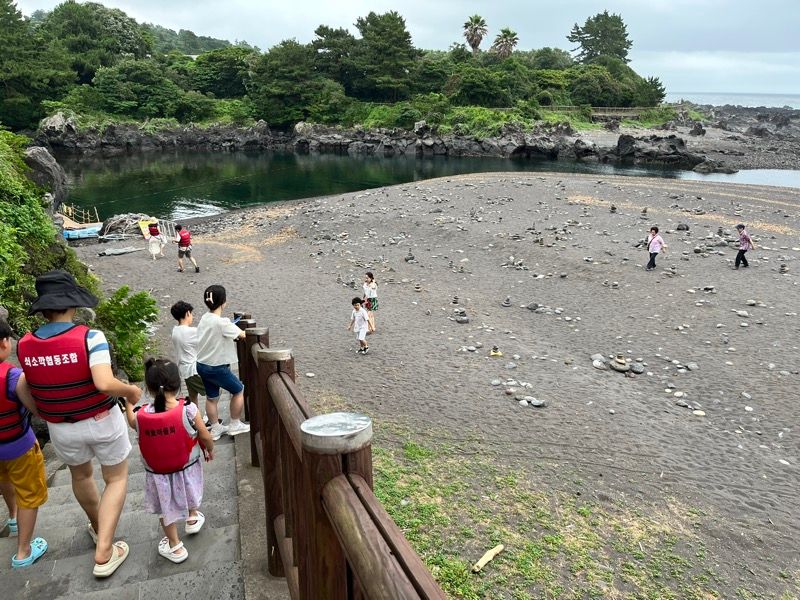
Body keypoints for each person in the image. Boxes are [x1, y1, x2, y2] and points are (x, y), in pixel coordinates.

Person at [17, 270, 141, 578]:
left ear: (43, 307)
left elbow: (22, 387)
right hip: (100, 419)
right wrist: (131, 391)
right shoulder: (89, 337)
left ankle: (100, 528)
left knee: (81, 475)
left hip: (62, 427)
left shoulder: (24, 344)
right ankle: (104, 550)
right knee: (115, 478)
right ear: (72, 303)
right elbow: (103, 382)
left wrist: (44, 412)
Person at [125, 358, 213, 564]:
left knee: (166, 508)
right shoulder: (188, 409)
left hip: (158, 474)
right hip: (186, 465)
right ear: (178, 383)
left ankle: (175, 546)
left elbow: (131, 421)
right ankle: (192, 517)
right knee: (188, 488)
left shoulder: (141, 415)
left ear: (149, 387)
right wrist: (209, 448)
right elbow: (204, 435)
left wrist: (129, 403)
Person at [0, 319, 48, 568]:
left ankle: (12, 517)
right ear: (4, 343)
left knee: (5, 480)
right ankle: (24, 551)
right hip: (19, 445)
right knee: (29, 494)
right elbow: (36, 410)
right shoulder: (13, 377)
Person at [195, 285, 250, 440]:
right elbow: (243, 334)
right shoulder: (222, 323)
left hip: (202, 365)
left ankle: (216, 428)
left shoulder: (205, 318)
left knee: (212, 397)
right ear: (223, 302)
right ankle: (234, 424)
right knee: (238, 390)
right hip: (216, 367)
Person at [170, 301, 207, 407]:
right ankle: (210, 418)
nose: (192, 316)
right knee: (214, 391)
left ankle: (194, 419)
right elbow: (206, 337)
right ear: (187, 313)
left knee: (193, 395)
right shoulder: (190, 331)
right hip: (193, 370)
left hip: (184, 369)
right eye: (191, 314)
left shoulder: (175, 331)